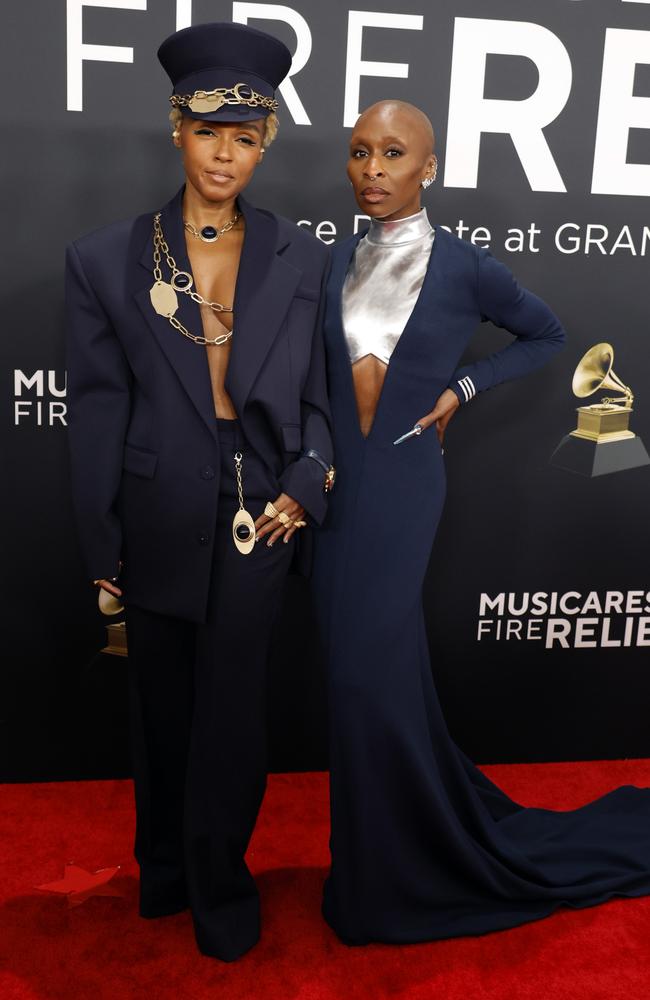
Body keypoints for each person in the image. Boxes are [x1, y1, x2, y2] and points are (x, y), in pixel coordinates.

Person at [313, 99, 650, 946]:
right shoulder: (328, 263)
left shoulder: (463, 266)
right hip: (331, 493)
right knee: (364, 686)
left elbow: (546, 334)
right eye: (359, 153)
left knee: (366, 679)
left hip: (401, 486)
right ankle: (376, 861)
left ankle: (392, 880)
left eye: (394, 153)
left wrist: (462, 390)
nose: (373, 170)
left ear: (429, 167)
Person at [65, 22, 334, 962]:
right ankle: (165, 872)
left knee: (232, 711)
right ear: (177, 127)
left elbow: (318, 394)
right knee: (161, 707)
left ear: (266, 143)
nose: (228, 153)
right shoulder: (107, 258)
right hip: (158, 506)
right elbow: (99, 407)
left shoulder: (300, 256)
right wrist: (102, 542)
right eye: (211, 130)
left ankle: (221, 882)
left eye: (248, 136)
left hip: (261, 511)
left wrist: (306, 481)